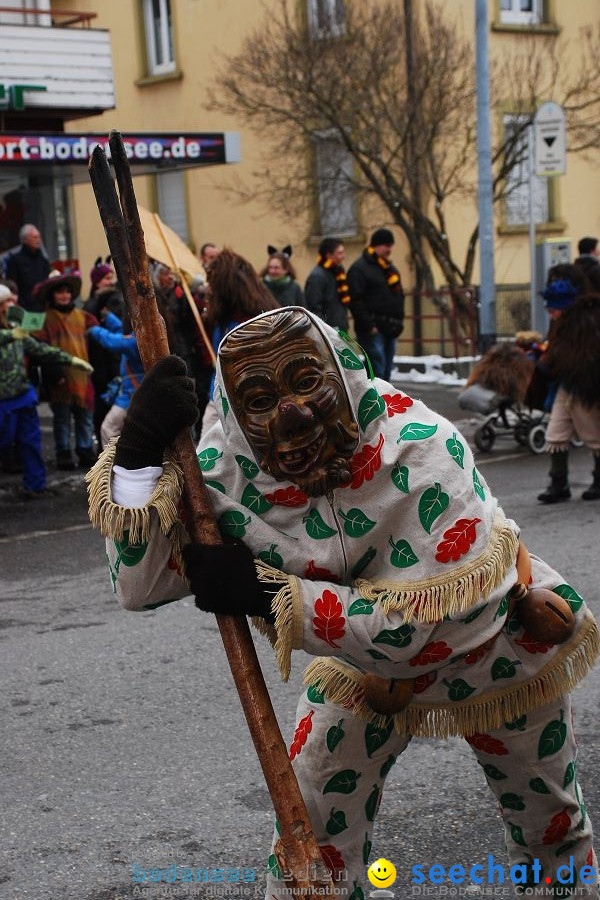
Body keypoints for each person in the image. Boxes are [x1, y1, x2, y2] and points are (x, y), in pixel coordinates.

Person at [88, 306, 599, 898]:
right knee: (310, 834)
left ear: (346, 372)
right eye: (258, 399)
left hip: (499, 652)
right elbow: (140, 585)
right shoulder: (229, 472)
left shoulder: (423, 447)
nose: (293, 414)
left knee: (550, 833)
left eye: (307, 381)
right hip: (362, 671)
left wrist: (267, 592)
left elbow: (427, 626)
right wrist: (137, 462)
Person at [0, 284, 92, 497]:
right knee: (4, 440)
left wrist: (70, 360)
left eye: (11, 301)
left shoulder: (16, 328)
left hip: (22, 395)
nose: (10, 305)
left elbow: (39, 349)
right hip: (3, 400)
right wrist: (12, 335)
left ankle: (35, 484)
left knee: (30, 442)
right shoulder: (12, 332)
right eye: (5, 302)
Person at [536, 266, 600, 504]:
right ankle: (558, 483)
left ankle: (599, 480)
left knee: (594, 436)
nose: (550, 314)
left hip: (585, 386)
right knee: (556, 434)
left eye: (553, 309)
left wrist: (551, 361)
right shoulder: (563, 322)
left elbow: (582, 356)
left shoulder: (586, 322)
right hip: (566, 383)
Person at [199, 247, 280, 434]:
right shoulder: (226, 318)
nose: (208, 289)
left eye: (212, 283)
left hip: (243, 402)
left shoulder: (249, 324)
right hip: (220, 397)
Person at [32, 269, 97, 470]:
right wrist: (53, 374)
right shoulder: (45, 319)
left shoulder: (84, 317)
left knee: (84, 417)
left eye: (67, 292)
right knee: (61, 418)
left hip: (83, 376)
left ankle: (85, 450)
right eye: (59, 292)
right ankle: (63, 452)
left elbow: (97, 339)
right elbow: (39, 350)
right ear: (52, 295)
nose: (64, 295)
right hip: (59, 377)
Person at [348, 228, 405, 381]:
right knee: (376, 372)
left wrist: (398, 322)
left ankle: (384, 402)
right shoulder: (360, 269)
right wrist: (369, 326)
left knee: (385, 372)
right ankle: (375, 403)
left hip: (390, 328)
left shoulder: (389, 269)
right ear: (376, 245)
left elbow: (398, 295)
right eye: (386, 245)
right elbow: (356, 300)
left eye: (390, 245)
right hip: (373, 330)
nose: (389, 250)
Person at [87, 308, 143, 448]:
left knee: (108, 429)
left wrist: (94, 330)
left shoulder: (137, 340)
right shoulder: (145, 332)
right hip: (137, 393)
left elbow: (114, 341)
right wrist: (110, 317)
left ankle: (112, 466)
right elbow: (123, 334)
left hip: (131, 395)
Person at [83, 257, 124, 447]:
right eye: (106, 277)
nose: (111, 281)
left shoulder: (115, 300)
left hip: (114, 360)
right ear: (97, 281)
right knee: (102, 408)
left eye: (111, 277)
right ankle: (104, 449)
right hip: (99, 362)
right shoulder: (92, 305)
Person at [304, 237, 350, 330]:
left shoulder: (338, 272)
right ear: (328, 255)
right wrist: (324, 328)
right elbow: (314, 306)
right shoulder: (317, 277)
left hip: (340, 326)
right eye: (340, 253)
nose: (343, 256)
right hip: (329, 330)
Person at [5, 224, 51, 312]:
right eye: (35, 237)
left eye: (39, 237)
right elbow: (11, 286)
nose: (38, 240)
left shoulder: (43, 261)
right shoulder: (15, 261)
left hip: (42, 307)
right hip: (24, 307)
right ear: (25, 239)